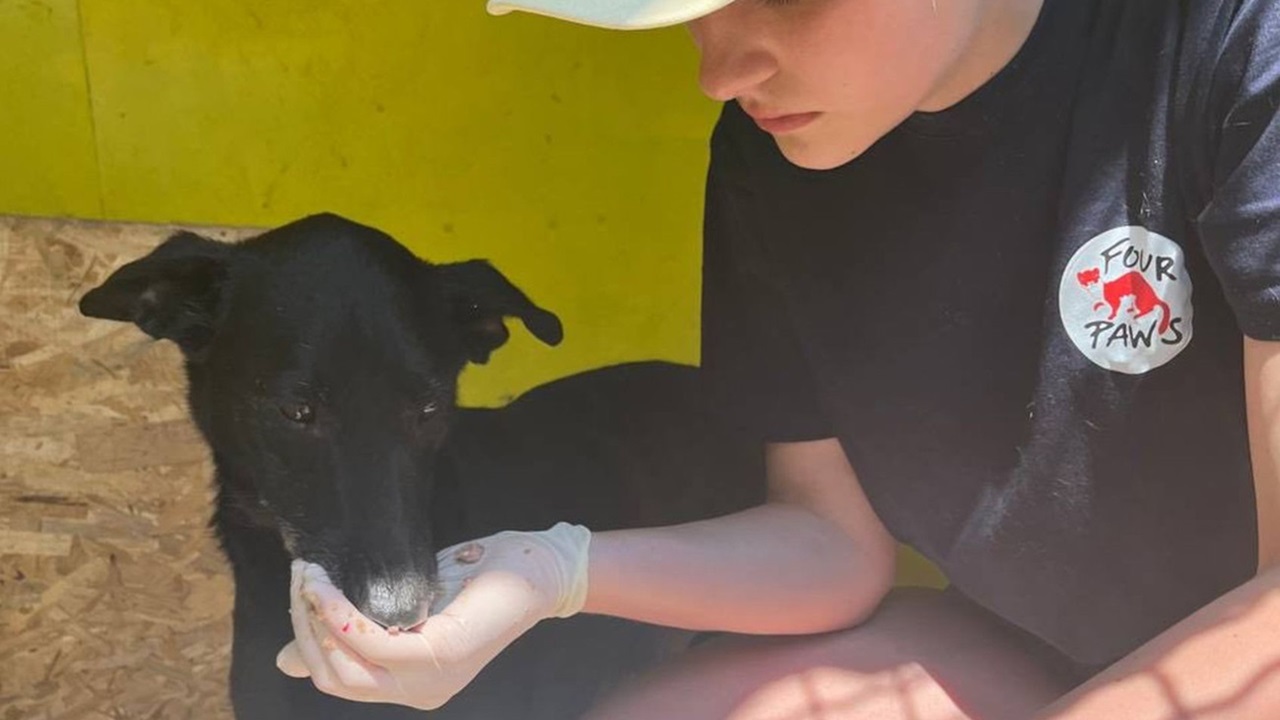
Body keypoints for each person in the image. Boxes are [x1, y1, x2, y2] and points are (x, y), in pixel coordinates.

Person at [275, 0, 1280, 717]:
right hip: (1034, 646)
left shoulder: (1232, 46)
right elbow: (831, 541)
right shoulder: (773, 160)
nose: (719, 69)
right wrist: (551, 570)